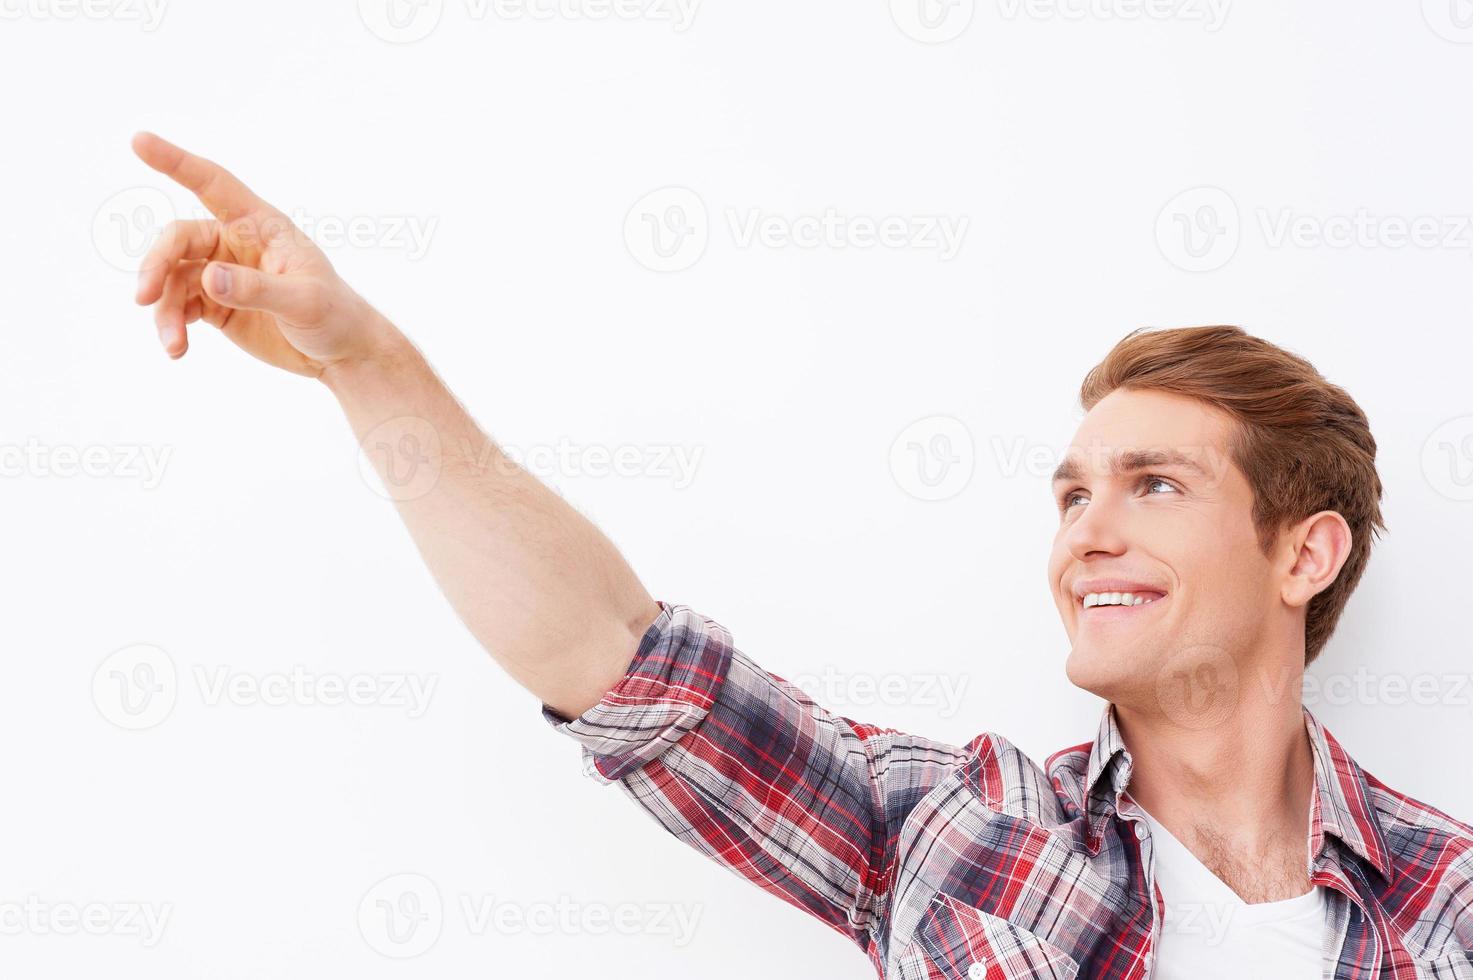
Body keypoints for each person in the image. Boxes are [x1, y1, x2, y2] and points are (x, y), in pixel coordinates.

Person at [130, 131, 1473, 979]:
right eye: (1069, 496)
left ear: (1303, 554)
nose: (1084, 535)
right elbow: (617, 663)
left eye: (1154, 486)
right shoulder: (950, 827)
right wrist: (371, 368)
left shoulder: (1448, 897)